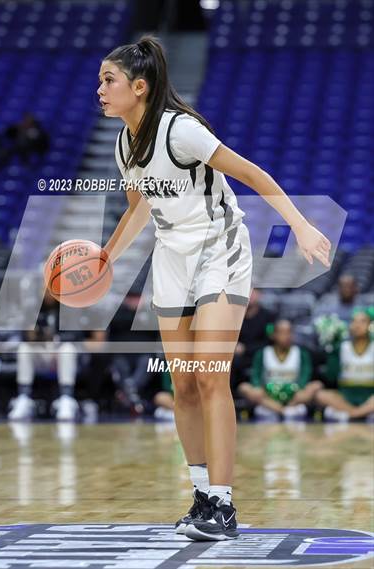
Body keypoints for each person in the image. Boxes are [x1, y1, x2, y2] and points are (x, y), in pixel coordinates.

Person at [97, 35, 331, 541]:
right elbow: (139, 209)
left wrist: (302, 226)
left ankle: (224, 506)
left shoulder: (182, 132)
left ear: (140, 87)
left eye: (108, 80)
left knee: (209, 377)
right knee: (181, 383)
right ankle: (202, 495)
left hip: (218, 249)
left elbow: (252, 174)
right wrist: (105, 259)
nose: (100, 89)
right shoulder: (123, 143)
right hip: (171, 257)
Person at [8, 291, 79, 421]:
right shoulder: (32, 308)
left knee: (68, 349)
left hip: (59, 353)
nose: (48, 293)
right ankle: (24, 398)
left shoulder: (68, 308)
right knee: (23, 349)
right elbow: (25, 336)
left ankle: (66, 399)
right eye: (45, 289)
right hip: (41, 353)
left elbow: (75, 336)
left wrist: (54, 338)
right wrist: (33, 335)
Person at [238, 320, 322, 420]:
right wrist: (257, 386)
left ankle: (288, 407)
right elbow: (256, 375)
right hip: (268, 396)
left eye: (289, 332)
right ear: (274, 335)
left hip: (294, 397)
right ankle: (281, 410)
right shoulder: (263, 353)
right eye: (283, 333)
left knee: (316, 385)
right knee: (244, 387)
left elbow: (305, 374)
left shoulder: (301, 353)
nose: (287, 336)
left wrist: (301, 388)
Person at [315, 311, 374, 421]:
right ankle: (362, 413)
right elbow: (331, 376)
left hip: (370, 396)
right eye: (354, 321)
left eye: (362, 322)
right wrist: (331, 349)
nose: (357, 325)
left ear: (370, 325)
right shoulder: (341, 347)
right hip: (346, 396)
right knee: (320, 395)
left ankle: (349, 415)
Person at [231, 288, 275, 383]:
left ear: (260, 295)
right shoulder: (233, 316)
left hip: (260, 354)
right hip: (239, 356)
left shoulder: (269, 316)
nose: (248, 295)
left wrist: (246, 348)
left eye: (253, 292)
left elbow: (270, 341)